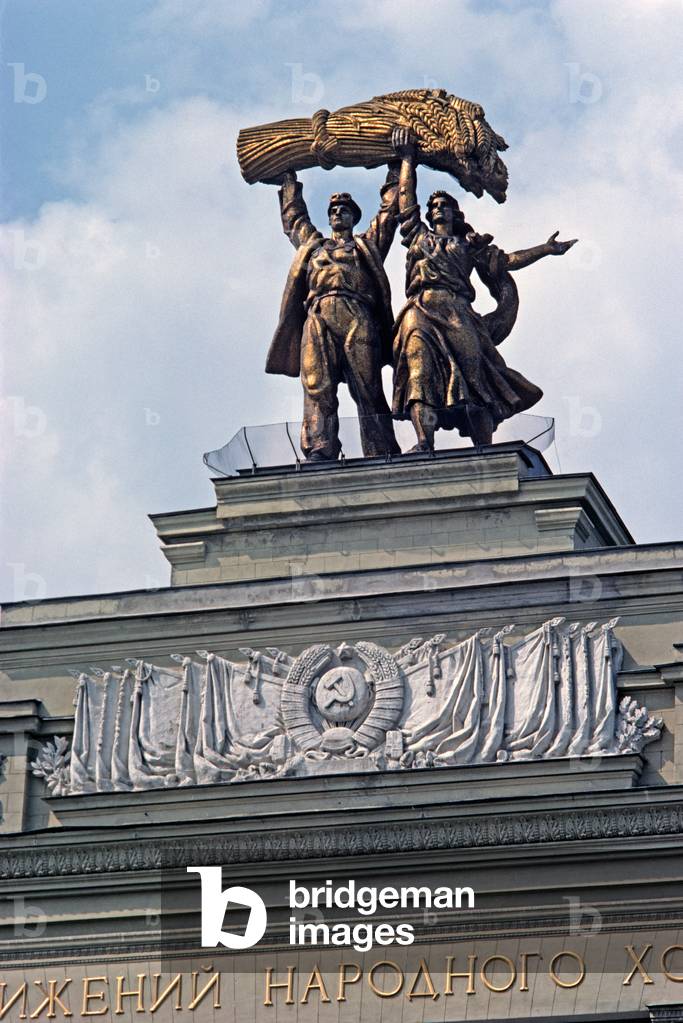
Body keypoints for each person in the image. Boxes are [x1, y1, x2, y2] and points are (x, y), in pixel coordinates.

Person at [391, 128, 577, 451]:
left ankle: (483, 446)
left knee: (475, 378)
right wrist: (407, 159)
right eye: (433, 204)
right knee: (419, 368)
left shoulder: (467, 245)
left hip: (459, 312)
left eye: (443, 204)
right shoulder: (418, 236)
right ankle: (424, 440)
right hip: (420, 309)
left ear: (454, 212)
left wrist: (545, 249)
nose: (436, 208)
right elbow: (406, 204)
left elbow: (507, 261)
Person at [265, 166, 401, 461]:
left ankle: (380, 450)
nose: (338, 214)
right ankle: (320, 447)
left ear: (354, 217)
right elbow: (294, 221)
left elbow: (389, 215)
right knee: (316, 384)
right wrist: (289, 181)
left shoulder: (366, 245)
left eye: (344, 210)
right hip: (319, 315)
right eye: (334, 210)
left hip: (357, 315)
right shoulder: (314, 247)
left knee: (368, 386)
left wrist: (397, 167)